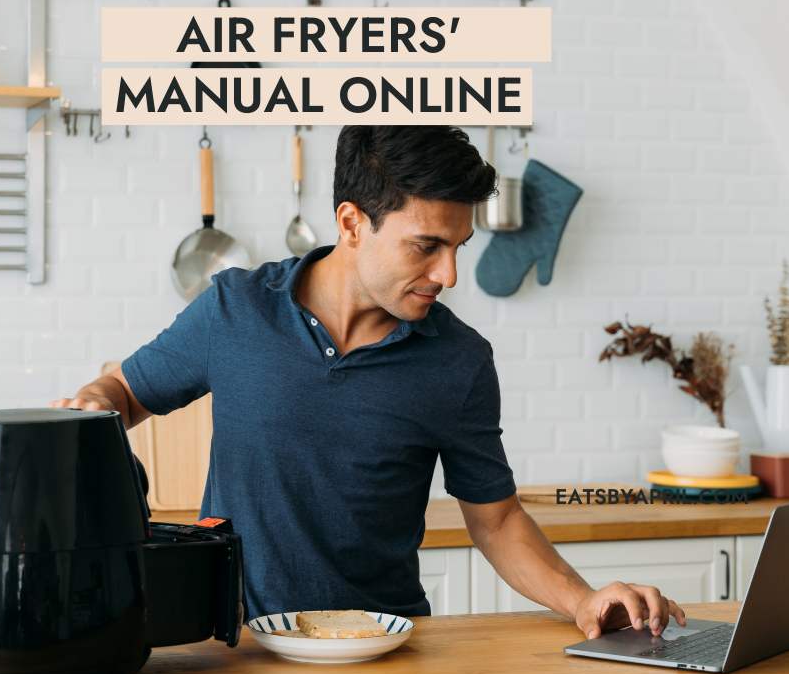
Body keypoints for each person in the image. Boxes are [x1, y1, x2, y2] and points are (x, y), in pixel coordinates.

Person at [51, 125, 686, 639]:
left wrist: (582, 600)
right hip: (236, 645)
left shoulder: (458, 360)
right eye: (427, 246)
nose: (450, 274)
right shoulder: (234, 311)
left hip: (384, 646)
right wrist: (94, 403)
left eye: (459, 247)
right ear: (353, 223)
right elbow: (126, 394)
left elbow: (496, 521)